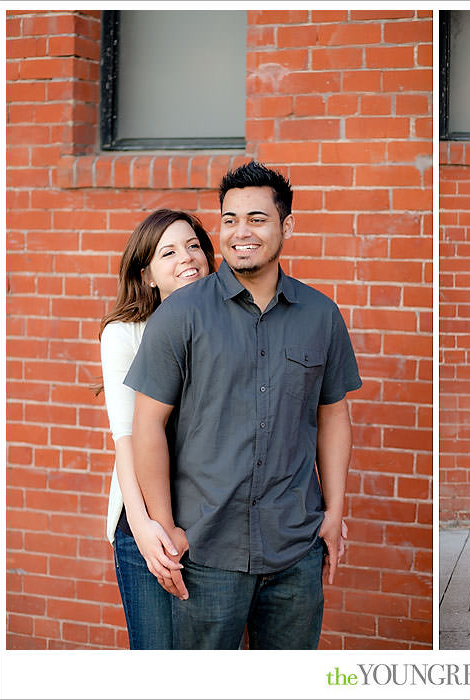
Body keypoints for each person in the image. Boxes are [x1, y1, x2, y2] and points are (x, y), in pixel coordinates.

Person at [126, 161, 362, 649]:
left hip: (295, 549)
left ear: (286, 226)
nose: (240, 232)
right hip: (208, 552)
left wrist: (335, 512)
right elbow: (147, 425)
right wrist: (167, 525)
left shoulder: (321, 314)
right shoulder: (182, 314)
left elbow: (333, 414)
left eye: (257, 218)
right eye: (229, 219)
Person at [97, 209, 216, 648]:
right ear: (146, 274)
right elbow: (124, 439)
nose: (187, 257)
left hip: (211, 522)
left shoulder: (227, 324)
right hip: (145, 521)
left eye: (193, 246)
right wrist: (145, 528)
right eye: (168, 252)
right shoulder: (125, 334)